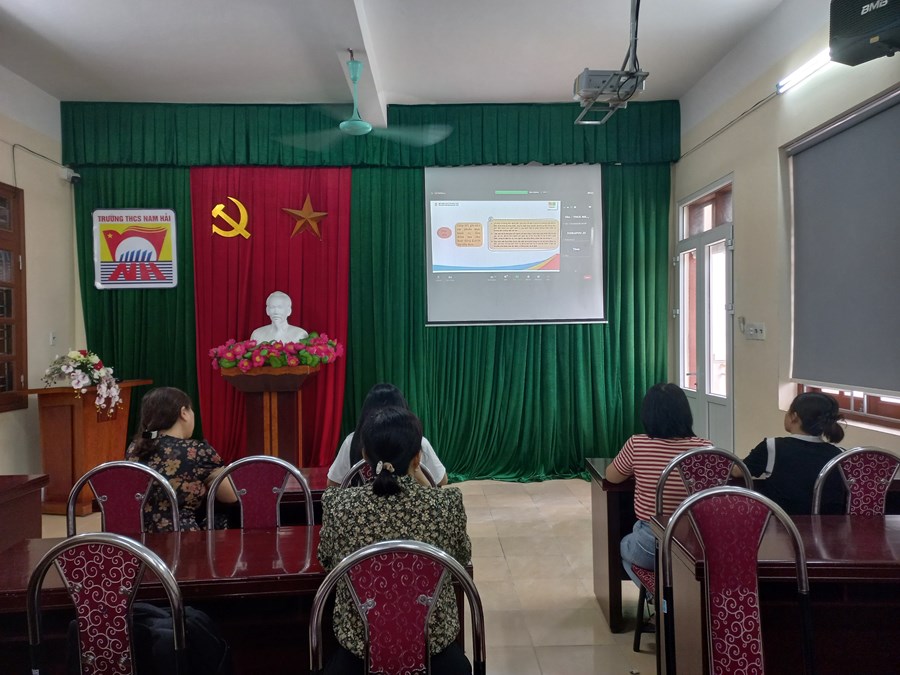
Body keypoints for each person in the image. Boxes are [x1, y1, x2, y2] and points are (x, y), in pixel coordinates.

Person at [318, 407, 472, 675]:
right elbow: (460, 559)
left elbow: (327, 561)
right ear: (418, 457)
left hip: (359, 655)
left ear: (365, 455)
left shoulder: (338, 505)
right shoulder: (446, 504)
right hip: (435, 654)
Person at [604, 383, 713, 585]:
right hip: (696, 542)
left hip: (652, 541)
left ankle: (657, 595)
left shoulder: (637, 444)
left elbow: (612, 476)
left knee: (623, 546)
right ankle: (674, 593)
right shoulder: (704, 447)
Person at [125, 386, 237, 532]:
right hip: (181, 536)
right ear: (184, 413)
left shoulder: (135, 448)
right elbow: (231, 496)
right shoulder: (196, 450)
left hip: (138, 535)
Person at [737, 391, 845, 514]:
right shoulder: (840, 455)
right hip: (827, 525)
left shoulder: (772, 447)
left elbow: (738, 471)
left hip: (782, 522)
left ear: (794, 416)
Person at [326, 383, 448, 487]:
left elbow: (333, 483)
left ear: (365, 454)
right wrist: (415, 469)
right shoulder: (418, 442)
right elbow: (441, 480)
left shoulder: (353, 441)